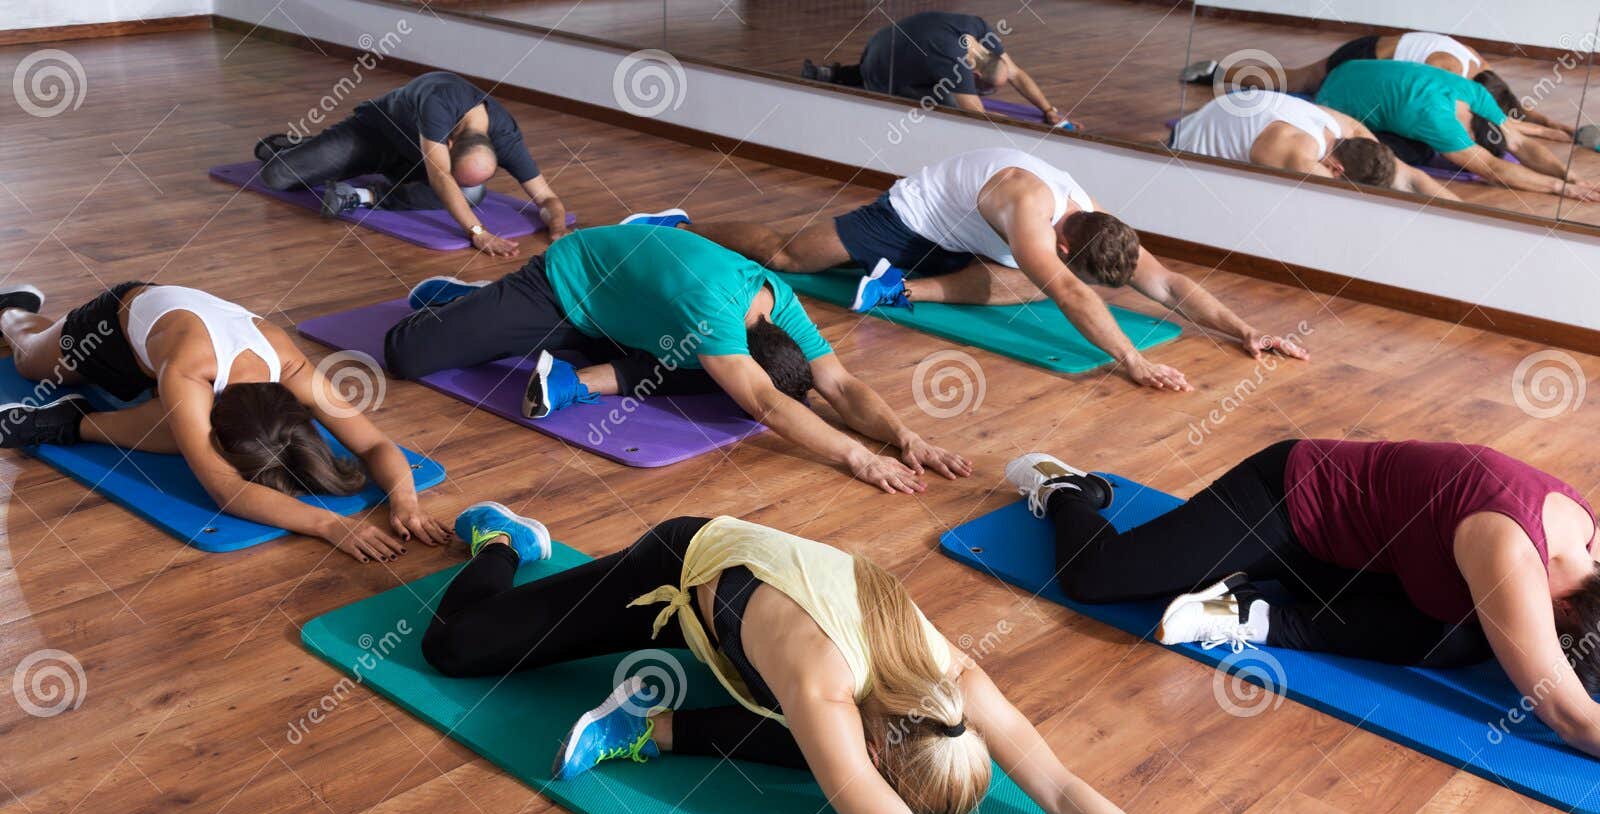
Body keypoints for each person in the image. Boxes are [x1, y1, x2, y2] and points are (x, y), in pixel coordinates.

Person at [422, 502, 1308, 814]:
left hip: (769, 630)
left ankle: (652, 727)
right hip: (678, 565)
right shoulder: (822, 687)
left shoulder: (954, 679)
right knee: (458, 650)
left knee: (822, 751)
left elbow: (1066, 789)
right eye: (889, 778)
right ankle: (505, 540)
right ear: (885, 743)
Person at [1004, 441, 1600, 753]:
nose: (1548, 630)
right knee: (1098, 577)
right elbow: (1570, 716)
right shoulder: (1512, 551)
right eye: (1558, 630)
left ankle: (1250, 614)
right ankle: (1064, 489)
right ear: (1570, 609)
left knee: (1467, 636)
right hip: (1287, 498)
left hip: (1360, 557)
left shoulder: (1586, 548)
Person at [637, 148, 1309, 393]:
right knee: (785, 256)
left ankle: (898, 289)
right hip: (909, 219)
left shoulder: (1092, 217)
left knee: (1020, 278)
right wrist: (1133, 361)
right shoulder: (1028, 202)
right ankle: (679, 226)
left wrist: (1243, 330)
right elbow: (1067, 290)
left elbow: (1166, 283)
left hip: (963, 246)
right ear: (1067, 246)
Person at [383, 224, 971, 494]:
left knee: (724, 387)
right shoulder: (713, 311)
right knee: (407, 353)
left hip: (634, 317)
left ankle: (564, 368)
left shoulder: (779, 305)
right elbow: (765, 402)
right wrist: (858, 459)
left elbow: (839, 386)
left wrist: (904, 436)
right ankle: (462, 305)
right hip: (568, 282)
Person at [0, 282, 448, 562]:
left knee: (182, 428)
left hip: (176, 346)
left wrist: (405, 502)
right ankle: (12, 309)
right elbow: (225, 488)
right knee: (27, 357)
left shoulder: (292, 369)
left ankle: (69, 420)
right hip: (109, 330)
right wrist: (329, 525)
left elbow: (373, 445)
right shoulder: (188, 372)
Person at [253, 71, 568, 257]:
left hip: (416, 159)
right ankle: (300, 145)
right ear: (450, 144)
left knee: (471, 194)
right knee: (278, 176)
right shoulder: (439, 103)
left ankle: (370, 195)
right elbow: (442, 176)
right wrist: (478, 232)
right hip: (373, 135)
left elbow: (547, 198)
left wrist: (558, 229)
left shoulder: (506, 136)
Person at [1187, 30, 1576, 138]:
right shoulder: (1451, 72)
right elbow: (1475, 117)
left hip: (1378, 55)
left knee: (1288, 80)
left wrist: (1558, 128)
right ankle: (1220, 71)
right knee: (1291, 84)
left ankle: (1218, 69)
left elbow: (1510, 110)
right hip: (1362, 60)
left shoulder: (1481, 67)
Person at [1313, 61, 1599, 200]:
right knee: (1413, 154)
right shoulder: (1439, 123)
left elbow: (1520, 144)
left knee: (1422, 145)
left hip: (1351, 67)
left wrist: (1570, 176)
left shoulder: (1477, 95)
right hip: (1331, 100)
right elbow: (1492, 169)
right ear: (1472, 138)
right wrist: (1561, 189)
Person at [1171, 89, 1458, 199]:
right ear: (1336, 168)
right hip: (1181, 153)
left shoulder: (1348, 130)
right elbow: (1343, 206)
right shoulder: (1297, 153)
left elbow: (1414, 178)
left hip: (1227, 111)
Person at [801, 11, 1068, 127]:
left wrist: (1049, 110)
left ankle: (835, 74)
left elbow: (1016, 73)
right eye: (985, 88)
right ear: (973, 74)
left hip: (882, 47)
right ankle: (859, 78)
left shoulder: (980, 30)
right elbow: (977, 115)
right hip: (880, 68)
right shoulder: (952, 61)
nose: (988, 93)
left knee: (919, 64)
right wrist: (1028, 129)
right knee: (948, 100)